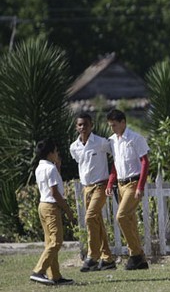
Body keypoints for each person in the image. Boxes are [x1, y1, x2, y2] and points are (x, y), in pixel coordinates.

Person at [70, 113, 116, 272]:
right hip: (86, 188)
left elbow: (116, 156)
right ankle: (108, 258)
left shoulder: (101, 142)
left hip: (100, 186)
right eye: (80, 125)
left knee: (89, 217)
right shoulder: (73, 147)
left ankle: (92, 256)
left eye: (86, 124)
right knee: (97, 221)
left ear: (92, 126)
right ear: (76, 127)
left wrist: (112, 179)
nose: (83, 128)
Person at [105, 109, 150, 270]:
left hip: (133, 183)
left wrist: (140, 186)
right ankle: (141, 260)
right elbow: (115, 164)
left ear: (123, 122)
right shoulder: (112, 141)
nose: (112, 128)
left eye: (115, 125)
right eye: (110, 125)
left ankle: (135, 254)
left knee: (121, 217)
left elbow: (145, 162)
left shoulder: (135, 138)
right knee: (130, 221)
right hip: (121, 184)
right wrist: (110, 183)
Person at [30, 138, 75, 286]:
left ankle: (55, 276)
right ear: (50, 153)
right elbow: (55, 193)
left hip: (43, 205)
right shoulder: (50, 169)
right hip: (51, 206)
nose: (57, 153)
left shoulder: (40, 168)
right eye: (55, 151)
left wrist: (58, 167)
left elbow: (53, 185)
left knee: (50, 242)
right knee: (56, 241)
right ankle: (38, 271)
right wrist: (68, 210)